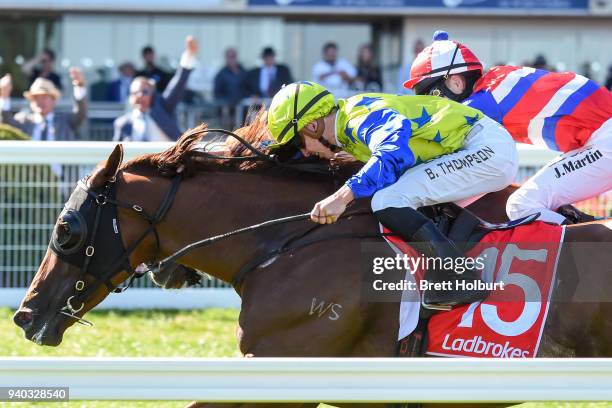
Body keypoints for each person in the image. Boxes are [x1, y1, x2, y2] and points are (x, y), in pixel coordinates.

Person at [266, 81, 519, 308]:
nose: (305, 154)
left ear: (312, 126)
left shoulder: (357, 118)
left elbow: (393, 153)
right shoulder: (349, 124)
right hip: (478, 146)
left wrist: (341, 198)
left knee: (388, 200)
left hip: (485, 149)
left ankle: (459, 277)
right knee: (396, 195)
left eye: (297, 145)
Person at [404, 30, 612, 225]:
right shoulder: (495, 80)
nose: (433, 107)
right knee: (541, 200)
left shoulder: (481, 103)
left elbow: (429, 142)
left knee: (521, 205)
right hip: (597, 138)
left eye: (431, 96)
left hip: (603, 140)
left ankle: (589, 254)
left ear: (456, 83)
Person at [113, 36, 198, 142]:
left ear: (152, 94)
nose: (140, 95)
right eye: (135, 93)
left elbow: (177, 85)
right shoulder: (123, 124)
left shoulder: (163, 108)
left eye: (145, 92)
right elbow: (115, 154)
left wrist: (189, 55)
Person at [0, 68, 87, 141]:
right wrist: (4, 96)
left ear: (53, 100)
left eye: (44, 97)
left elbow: (81, 114)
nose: (40, 101)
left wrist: (79, 86)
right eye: (36, 97)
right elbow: (7, 124)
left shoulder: (64, 120)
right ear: (31, 102)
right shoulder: (23, 121)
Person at [214, 48, 246, 128]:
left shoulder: (243, 71)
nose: (232, 59)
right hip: (228, 108)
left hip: (243, 107)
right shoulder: (221, 74)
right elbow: (217, 93)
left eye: (233, 56)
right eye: (230, 57)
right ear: (226, 58)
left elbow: (248, 87)